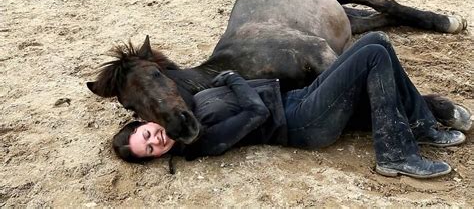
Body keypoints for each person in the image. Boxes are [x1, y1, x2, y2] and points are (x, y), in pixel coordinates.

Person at [112, 32, 471, 179]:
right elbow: (257, 113)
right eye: (149, 150)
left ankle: (421, 123)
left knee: (376, 40)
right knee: (373, 55)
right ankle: (394, 154)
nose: (156, 140)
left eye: (147, 134)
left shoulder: (184, 111)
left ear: (145, 122)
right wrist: (234, 79)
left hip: (296, 99)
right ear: (155, 158)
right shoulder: (199, 142)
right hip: (302, 123)